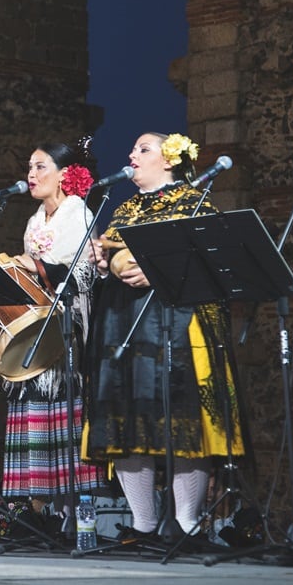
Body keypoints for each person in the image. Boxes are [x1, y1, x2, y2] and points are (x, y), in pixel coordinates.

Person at [83, 133, 244, 538]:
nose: (132, 155)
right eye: (132, 148)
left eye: (143, 149)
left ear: (169, 161)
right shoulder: (125, 208)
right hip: (125, 322)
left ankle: (187, 522)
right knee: (128, 420)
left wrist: (153, 268)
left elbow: (211, 263)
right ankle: (142, 522)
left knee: (182, 418)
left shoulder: (193, 202)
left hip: (177, 321)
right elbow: (116, 256)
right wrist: (105, 264)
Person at [2, 142, 104, 518]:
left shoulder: (77, 213)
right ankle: (35, 506)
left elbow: (84, 272)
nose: (31, 174)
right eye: (29, 167)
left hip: (64, 332)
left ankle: (70, 511)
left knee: (60, 412)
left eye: (40, 167)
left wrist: (38, 267)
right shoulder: (34, 220)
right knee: (32, 413)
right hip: (34, 325)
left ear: (64, 174)